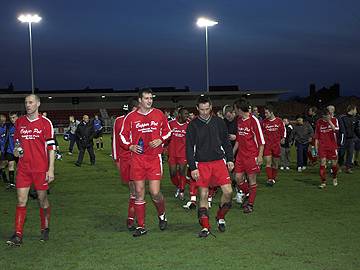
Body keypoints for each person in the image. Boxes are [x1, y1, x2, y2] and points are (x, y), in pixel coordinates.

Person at [120, 88, 171, 237]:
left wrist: (160, 139)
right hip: (137, 159)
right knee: (139, 193)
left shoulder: (159, 114)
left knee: (155, 192)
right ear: (140, 100)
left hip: (154, 159)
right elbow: (122, 136)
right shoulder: (130, 117)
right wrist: (130, 146)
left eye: (151, 98)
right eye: (146, 98)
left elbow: (168, 132)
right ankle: (141, 226)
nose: (149, 101)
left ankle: (162, 215)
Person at [6, 94, 56, 246]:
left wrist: (51, 169)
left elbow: (51, 148)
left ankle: (45, 227)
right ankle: (18, 234)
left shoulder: (45, 123)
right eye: (26, 102)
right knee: (21, 201)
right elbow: (16, 146)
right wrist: (17, 150)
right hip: (23, 169)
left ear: (38, 104)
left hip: (40, 169)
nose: (28, 105)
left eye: (31, 102)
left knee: (42, 200)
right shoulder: (20, 122)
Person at [186, 95, 234, 238]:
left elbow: (226, 142)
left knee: (228, 192)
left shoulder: (219, 122)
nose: (205, 112)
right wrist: (193, 167)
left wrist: (230, 159)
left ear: (211, 107)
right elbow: (189, 148)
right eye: (202, 109)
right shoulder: (193, 125)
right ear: (197, 109)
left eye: (207, 109)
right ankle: (205, 227)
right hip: (202, 164)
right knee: (204, 194)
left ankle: (220, 216)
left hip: (219, 162)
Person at [233, 99, 264, 213]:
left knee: (252, 181)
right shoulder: (239, 120)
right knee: (238, 178)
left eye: (235, 108)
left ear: (239, 109)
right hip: (241, 155)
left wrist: (260, 156)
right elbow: (238, 138)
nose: (234, 110)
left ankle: (250, 204)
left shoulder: (253, 120)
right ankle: (247, 194)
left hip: (252, 156)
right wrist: (232, 152)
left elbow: (261, 141)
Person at [112, 99, 139, 230]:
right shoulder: (119, 121)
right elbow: (115, 142)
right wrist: (117, 160)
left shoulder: (142, 119)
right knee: (133, 190)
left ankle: (132, 218)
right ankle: (133, 218)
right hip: (125, 159)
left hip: (139, 159)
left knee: (137, 189)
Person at [167, 108, 189, 200]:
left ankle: (182, 191)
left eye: (188, 114)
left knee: (182, 172)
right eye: (185, 114)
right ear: (179, 115)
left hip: (183, 153)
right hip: (172, 153)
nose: (187, 116)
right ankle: (179, 185)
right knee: (172, 174)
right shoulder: (171, 124)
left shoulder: (189, 125)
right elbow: (166, 136)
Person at [315, 108, 339, 189]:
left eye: (328, 115)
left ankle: (335, 177)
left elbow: (335, 130)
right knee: (322, 164)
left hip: (332, 146)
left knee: (334, 165)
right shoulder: (319, 122)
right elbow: (317, 136)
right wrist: (315, 147)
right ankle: (323, 182)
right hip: (322, 146)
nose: (327, 116)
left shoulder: (334, 120)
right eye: (325, 116)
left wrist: (329, 121)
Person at [262, 105, 286, 186]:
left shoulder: (279, 121)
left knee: (275, 164)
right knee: (268, 162)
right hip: (267, 145)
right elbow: (261, 133)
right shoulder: (264, 122)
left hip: (276, 145)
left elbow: (283, 130)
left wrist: (283, 138)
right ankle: (269, 179)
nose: (265, 114)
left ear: (271, 112)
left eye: (266, 113)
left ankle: (273, 178)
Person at [338, 105, 357, 173]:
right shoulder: (342, 117)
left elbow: (356, 129)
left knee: (350, 153)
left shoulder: (354, 118)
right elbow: (341, 130)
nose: (356, 111)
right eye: (355, 109)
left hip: (351, 139)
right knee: (341, 153)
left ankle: (348, 168)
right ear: (352, 110)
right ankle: (339, 166)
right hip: (343, 138)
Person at [4, 112, 19, 189]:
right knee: (10, 165)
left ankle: (21, 182)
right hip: (10, 150)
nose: (12, 119)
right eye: (11, 118)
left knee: (20, 167)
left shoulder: (22, 127)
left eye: (14, 117)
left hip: (19, 151)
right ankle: (12, 183)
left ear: (17, 117)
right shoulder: (9, 127)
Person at [0, 114, 9, 185]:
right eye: (1, 121)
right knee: (3, 163)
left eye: (4, 121)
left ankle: (1, 173)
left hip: (5, 148)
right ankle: (4, 177)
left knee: (5, 163)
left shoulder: (7, 127)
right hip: (1, 149)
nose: (3, 122)